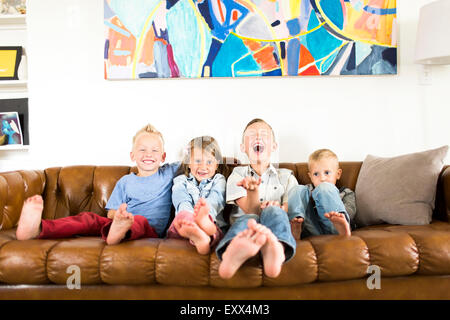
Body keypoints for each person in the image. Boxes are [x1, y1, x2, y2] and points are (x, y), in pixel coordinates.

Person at [15, 124, 180, 244]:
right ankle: (38, 229)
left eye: (155, 150)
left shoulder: (168, 173)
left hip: (148, 230)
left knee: (139, 221)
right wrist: (120, 217)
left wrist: (204, 147)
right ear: (132, 155)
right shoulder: (126, 181)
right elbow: (111, 213)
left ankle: (118, 233)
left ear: (163, 157)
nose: (148, 154)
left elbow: (193, 158)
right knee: (88, 219)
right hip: (119, 222)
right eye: (142, 150)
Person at [216, 118, 299, 279]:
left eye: (264, 135)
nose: (258, 138)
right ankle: (233, 251)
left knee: (275, 212)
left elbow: (291, 212)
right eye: (251, 135)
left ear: (274, 146)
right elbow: (251, 210)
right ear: (243, 148)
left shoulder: (287, 176)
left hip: (275, 223)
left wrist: (279, 208)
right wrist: (252, 192)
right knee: (248, 219)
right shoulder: (237, 175)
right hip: (247, 221)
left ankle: (276, 248)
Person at [166, 136, 227, 255]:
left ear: (216, 164)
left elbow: (216, 199)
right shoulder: (181, 180)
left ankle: (203, 231)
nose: (203, 167)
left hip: (211, 225)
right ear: (188, 162)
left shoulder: (219, 180)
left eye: (209, 162)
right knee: (182, 214)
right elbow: (181, 200)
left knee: (212, 226)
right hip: (185, 226)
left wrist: (204, 216)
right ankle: (199, 237)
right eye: (198, 161)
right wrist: (190, 219)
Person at [287, 149, 356, 239]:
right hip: (311, 229)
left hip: (334, 227)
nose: (322, 178)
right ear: (310, 177)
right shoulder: (306, 191)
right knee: (297, 189)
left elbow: (351, 211)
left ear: (338, 174)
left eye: (327, 173)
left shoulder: (346, 193)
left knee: (325, 188)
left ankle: (341, 228)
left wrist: (337, 215)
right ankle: (296, 225)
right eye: (316, 174)